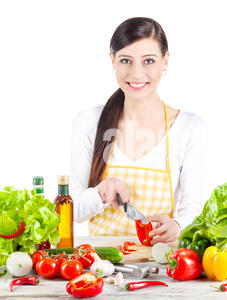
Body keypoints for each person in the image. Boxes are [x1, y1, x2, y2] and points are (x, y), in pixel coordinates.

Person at [70, 17, 208, 245]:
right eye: (126, 60)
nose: (136, 73)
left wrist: (178, 226)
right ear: (112, 60)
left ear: (165, 61)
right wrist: (100, 193)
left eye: (149, 61)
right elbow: (71, 211)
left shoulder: (190, 128)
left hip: (161, 264)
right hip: (99, 264)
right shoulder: (89, 122)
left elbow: (193, 210)